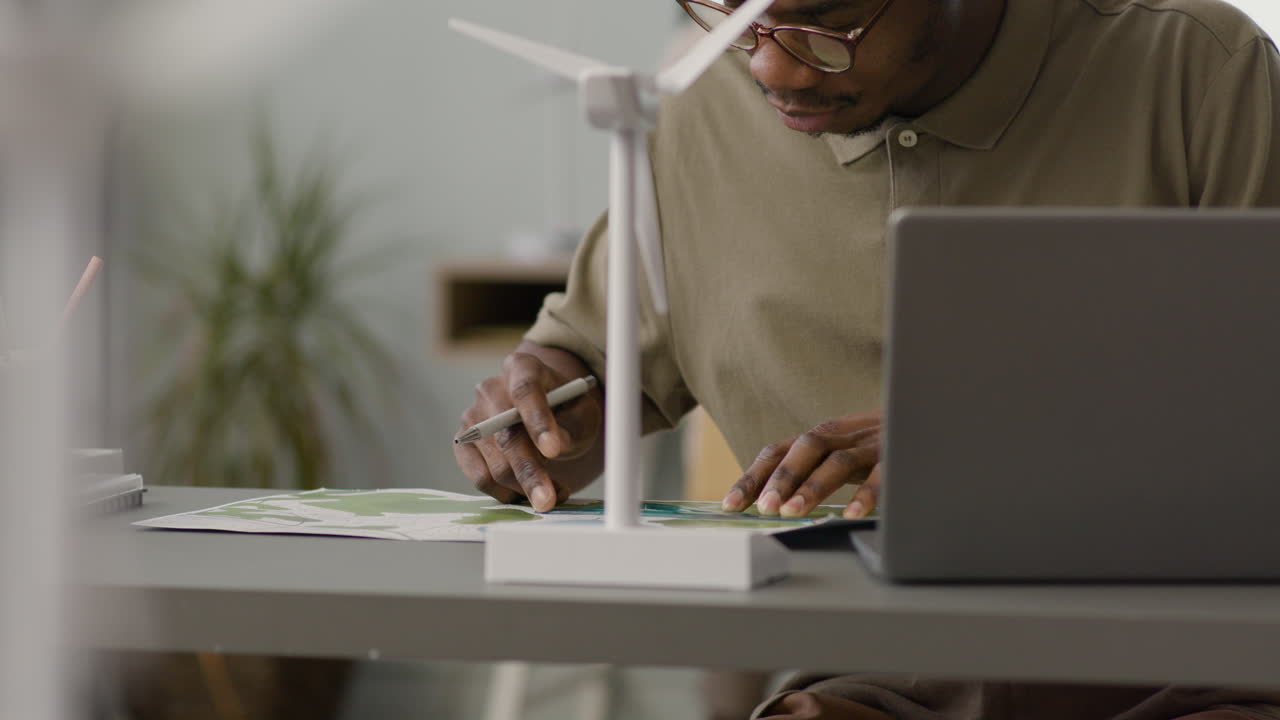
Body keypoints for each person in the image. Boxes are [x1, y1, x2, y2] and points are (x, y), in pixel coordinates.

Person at [454, 0, 1280, 717]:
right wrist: (540, 420)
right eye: (738, 16)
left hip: (1198, 674)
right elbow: (589, 366)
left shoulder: (1202, 73)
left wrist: (1007, 452)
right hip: (873, 681)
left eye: (826, 23)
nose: (774, 65)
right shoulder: (696, 114)